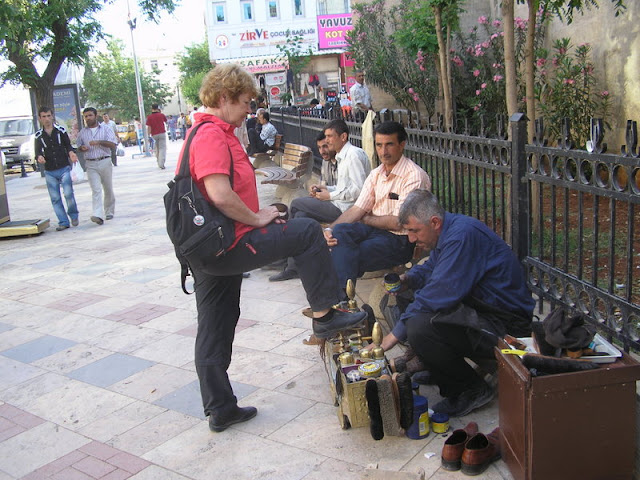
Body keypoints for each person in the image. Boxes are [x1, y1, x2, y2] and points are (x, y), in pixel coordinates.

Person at [178, 63, 367, 433]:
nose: (250, 110)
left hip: (207, 249)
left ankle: (220, 408)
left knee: (215, 325)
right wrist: (256, 217)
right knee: (307, 231)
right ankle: (325, 315)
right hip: (229, 242)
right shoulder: (211, 134)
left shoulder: (202, 131)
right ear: (224, 98)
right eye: (245, 102)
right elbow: (219, 194)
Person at [374, 189, 535, 417]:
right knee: (408, 299)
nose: (411, 239)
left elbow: (438, 293)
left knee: (419, 326)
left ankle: (470, 390)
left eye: (414, 231)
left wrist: (392, 337)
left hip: (506, 325)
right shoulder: (449, 230)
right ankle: (439, 367)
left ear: (435, 222)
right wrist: (408, 280)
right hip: (481, 310)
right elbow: (432, 268)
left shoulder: (462, 236)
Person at [324, 121, 431, 291]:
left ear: (402, 145)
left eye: (389, 145)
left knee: (346, 253)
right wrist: (329, 230)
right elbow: (357, 209)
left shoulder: (414, 176)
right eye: (379, 145)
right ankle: (342, 297)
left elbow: (398, 222)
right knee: (339, 232)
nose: (383, 151)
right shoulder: (376, 174)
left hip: (399, 239)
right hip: (373, 230)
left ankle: (342, 298)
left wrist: (367, 219)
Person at [270, 122, 371, 281]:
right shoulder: (343, 155)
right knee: (301, 216)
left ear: (343, 137)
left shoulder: (353, 155)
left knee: (296, 204)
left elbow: (359, 190)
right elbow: (344, 187)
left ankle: (286, 256)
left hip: (348, 210)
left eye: (330, 136)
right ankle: (294, 265)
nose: (328, 140)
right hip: (339, 203)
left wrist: (329, 196)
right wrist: (324, 189)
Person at [34, 106, 80, 231]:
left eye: (49, 116)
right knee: (55, 198)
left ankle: (73, 215)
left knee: (68, 193)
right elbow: (37, 152)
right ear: (40, 118)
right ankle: (63, 221)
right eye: (44, 116)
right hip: (50, 170)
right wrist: (39, 157)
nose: (47, 119)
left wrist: (71, 153)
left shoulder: (61, 131)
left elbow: (68, 145)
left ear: (52, 116)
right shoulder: (38, 136)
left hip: (64, 167)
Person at [76, 107, 118, 225]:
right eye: (86, 116)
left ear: (95, 116)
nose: (88, 118)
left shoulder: (106, 129)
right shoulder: (82, 133)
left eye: (90, 115)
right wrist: (81, 148)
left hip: (104, 160)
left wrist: (99, 142)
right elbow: (78, 147)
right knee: (96, 189)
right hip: (90, 163)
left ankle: (109, 211)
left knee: (107, 187)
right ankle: (97, 214)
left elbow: (113, 144)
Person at [146, 104, 168, 169]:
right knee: (162, 148)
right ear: (158, 108)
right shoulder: (161, 115)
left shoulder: (149, 117)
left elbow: (149, 127)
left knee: (156, 149)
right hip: (162, 133)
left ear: (151, 108)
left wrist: (148, 135)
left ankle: (158, 161)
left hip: (154, 134)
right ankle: (161, 163)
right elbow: (166, 121)